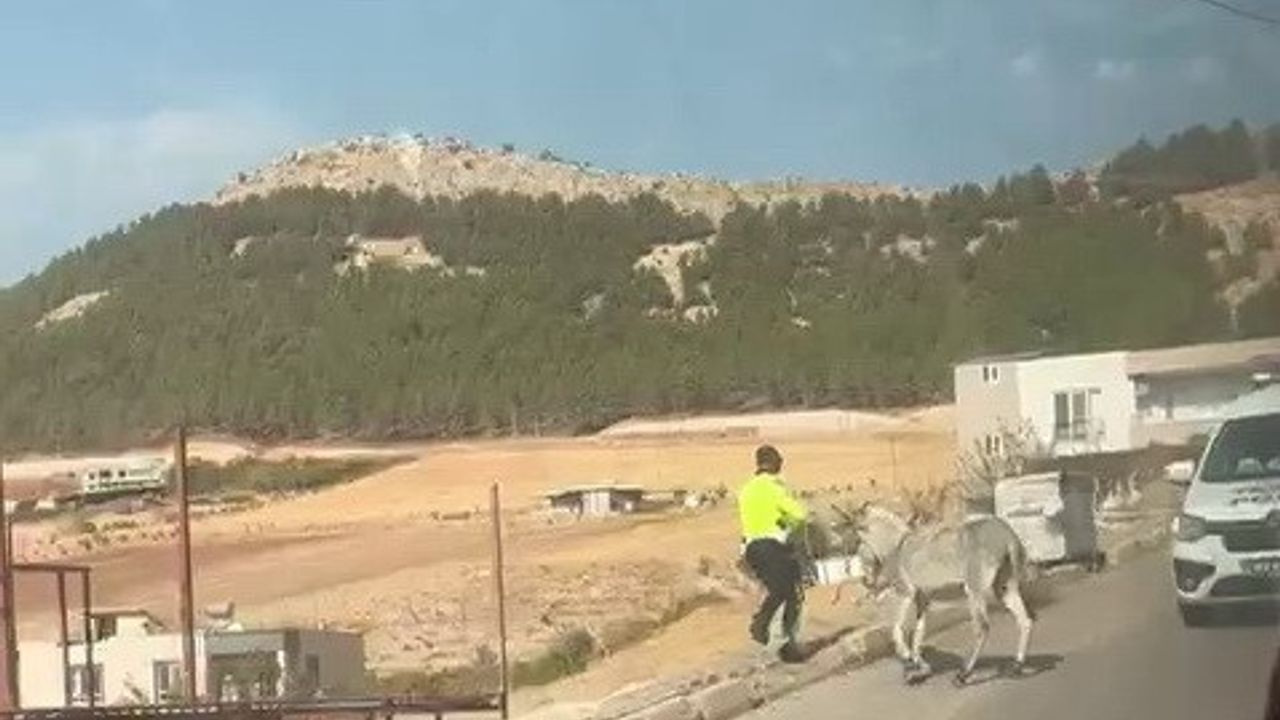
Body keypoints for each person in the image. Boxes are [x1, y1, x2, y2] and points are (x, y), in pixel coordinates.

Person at [738, 444, 809, 662]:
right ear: (773, 462)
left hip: (752, 549)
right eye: (779, 461)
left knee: (784, 591)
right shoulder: (775, 487)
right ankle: (766, 629)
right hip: (773, 546)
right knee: (789, 592)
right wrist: (786, 523)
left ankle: (782, 641)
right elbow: (800, 515)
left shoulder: (746, 489)